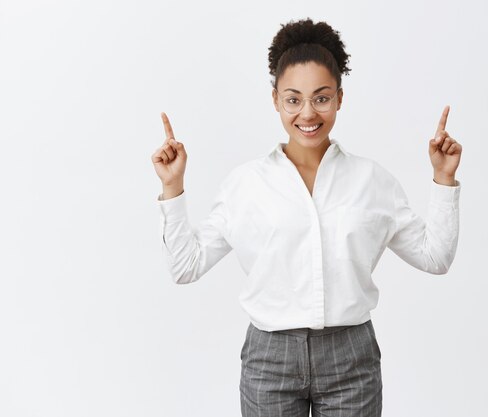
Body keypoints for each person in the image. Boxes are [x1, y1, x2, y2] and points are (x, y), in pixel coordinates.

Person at [151, 17, 462, 417]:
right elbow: (185, 266)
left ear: (340, 98)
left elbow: (435, 257)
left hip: (352, 359)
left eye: (322, 97)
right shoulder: (246, 184)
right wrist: (172, 187)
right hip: (269, 360)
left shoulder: (372, 181)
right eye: (293, 99)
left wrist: (443, 179)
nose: (308, 113)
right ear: (276, 99)